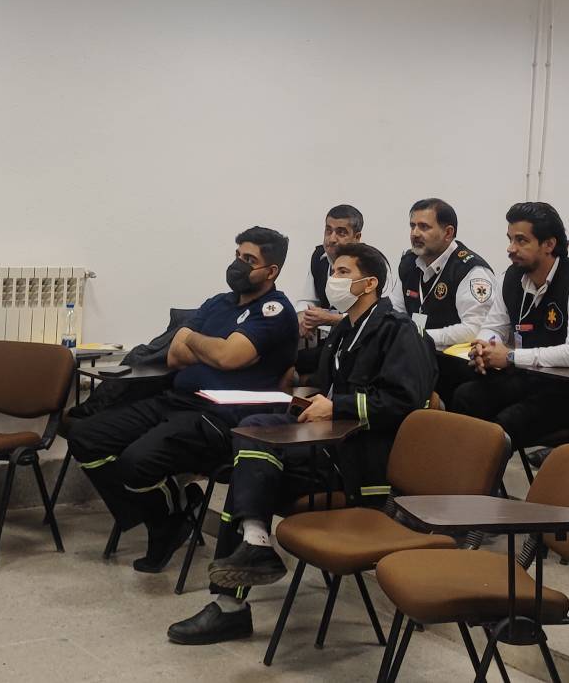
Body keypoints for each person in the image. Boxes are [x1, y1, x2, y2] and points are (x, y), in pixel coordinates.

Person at [166, 243, 434, 645]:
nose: (333, 279)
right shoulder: (345, 330)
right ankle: (252, 549)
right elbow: (320, 379)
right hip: (326, 446)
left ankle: (233, 599)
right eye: (333, 271)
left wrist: (337, 406)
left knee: (252, 463)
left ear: (369, 284)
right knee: (251, 446)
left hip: (359, 461)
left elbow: (404, 401)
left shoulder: (398, 331)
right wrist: (286, 375)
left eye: (343, 272)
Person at [69, 228, 298, 574]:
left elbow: (227, 357)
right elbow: (176, 354)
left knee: (136, 462)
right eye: (237, 255)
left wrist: (195, 340)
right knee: (85, 436)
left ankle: (165, 521)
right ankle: (168, 518)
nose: (238, 265)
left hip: (221, 418)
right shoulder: (218, 303)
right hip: (177, 400)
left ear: (271, 271)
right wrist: (212, 347)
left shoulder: (274, 311)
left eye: (249, 260)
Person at [454, 203, 569, 450]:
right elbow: (494, 325)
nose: (511, 248)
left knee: (505, 424)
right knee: (465, 397)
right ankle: (464, 469)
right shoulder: (512, 276)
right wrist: (484, 346)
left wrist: (511, 357)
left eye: (521, 240)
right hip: (530, 377)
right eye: (510, 239)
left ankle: (482, 471)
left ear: (549, 244)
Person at [390, 198, 505, 402]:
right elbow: (395, 311)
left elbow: (474, 329)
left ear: (448, 233)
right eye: (412, 226)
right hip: (416, 358)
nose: (415, 233)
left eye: (424, 227)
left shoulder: (471, 270)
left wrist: (419, 338)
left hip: (454, 366)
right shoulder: (409, 263)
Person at [293, 205, 365, 376]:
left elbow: (373, 318)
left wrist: (332, 319)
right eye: (328, 230)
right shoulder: (319, 257)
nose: (331, 239)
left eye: (341, 232)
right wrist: (304, 316)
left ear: (357, 237)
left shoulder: (368, 265)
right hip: (326, 341)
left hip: (356, 344)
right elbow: (308, 300)